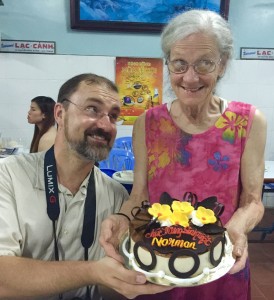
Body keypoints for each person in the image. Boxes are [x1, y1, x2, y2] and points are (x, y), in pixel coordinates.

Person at [100, 9, 267, 300]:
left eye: (205, 63)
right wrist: (121, 218)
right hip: (161, 266)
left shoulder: (247, 122)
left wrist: (236, 229)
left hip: (221, 260)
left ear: (223, 64)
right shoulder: (148, 124)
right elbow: (139, 194)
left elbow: (253, 201)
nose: (190, 78)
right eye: (179, 64)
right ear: (167, 64)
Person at [0, 73, 171, 299]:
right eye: (92, 109)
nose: (105, 124)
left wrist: (135, 278)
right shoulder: (9, 175)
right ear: (60, 113)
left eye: (113, 116)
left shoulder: (117, 197)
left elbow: (111, 289)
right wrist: (93, 272)